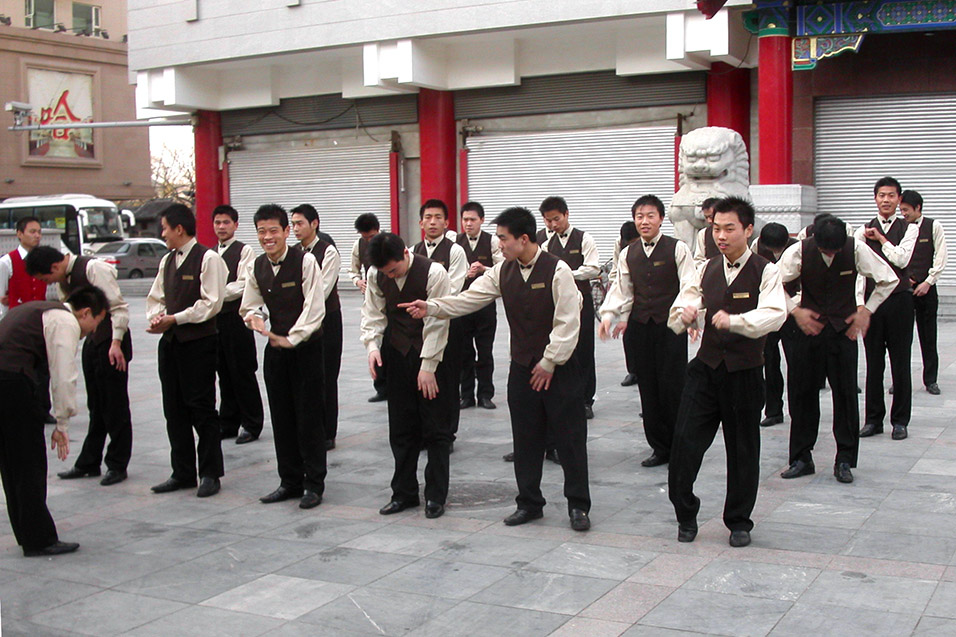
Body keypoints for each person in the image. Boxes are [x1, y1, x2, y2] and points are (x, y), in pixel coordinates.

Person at [401, 207, 591, 531]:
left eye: (503, 238)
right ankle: (529, 503)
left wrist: (549, 361)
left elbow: (569, 322)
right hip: (522, 368)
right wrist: (432, 306)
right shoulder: (502, 271)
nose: (499, 244)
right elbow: (468, 299)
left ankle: (578, 506)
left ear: (524, 238)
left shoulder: (558, 271)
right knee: (525, 438)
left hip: (559, 368)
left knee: (570, 438)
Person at [667, 197, 787, 548]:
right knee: (685, 443)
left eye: (729, 228)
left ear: (748, 230)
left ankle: (738, 521)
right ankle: (685, 513)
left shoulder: (766, 270)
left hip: (745, 372)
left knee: (743, 450)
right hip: (705, 370)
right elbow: (683, 304)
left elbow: (774, 314)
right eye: (716, 228)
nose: (721, 235)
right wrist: (684, 317)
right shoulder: (705, 269)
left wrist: (736, 321)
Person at [777, 215, 898, 484]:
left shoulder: (855, 248)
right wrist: (795, 310)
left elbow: (888, 279)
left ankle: (844, 459)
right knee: (802, 394)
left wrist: (867, 309)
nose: (831, 254)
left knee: (845, 396)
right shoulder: (799, 250)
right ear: (814, 240)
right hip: (809, 332)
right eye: (825, 250)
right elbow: (772, 283)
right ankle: (801, 457)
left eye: (835, 250)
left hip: (844, 332)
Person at [0, 285, 108, 557]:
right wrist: (62, 424)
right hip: (12, 383)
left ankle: (27, 534)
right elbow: (63, 376)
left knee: (12, 464)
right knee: (29, 464)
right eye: (96, 323)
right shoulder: (65, 321)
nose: (93, 331)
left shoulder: (40, 310)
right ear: (85, 313)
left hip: (6, 380)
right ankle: (39, 540)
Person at [360, 232, 454, 519]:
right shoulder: (377, 275)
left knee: (436, 429)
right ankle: (404, 492)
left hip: (434, 355)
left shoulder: (434, 272)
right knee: (401, 428)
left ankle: (436, 496)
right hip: (397, 354)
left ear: (404, 253)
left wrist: (428, 366)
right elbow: (373, 313)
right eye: (385, 272)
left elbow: (439, 320)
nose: (390, 275)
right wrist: (373, 346)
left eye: (394, 269)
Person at [241, 204, 328, 509]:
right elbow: (250, 304)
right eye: (261, 232)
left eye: (273, 231)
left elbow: (315, 309)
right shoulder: (257, 266)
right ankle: (289, 480)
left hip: (306, 349)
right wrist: (253, 318)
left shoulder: (305, 262)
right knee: (282, 417)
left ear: (286, 232)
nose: (268, 237)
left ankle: (314, 484)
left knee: (308, 418)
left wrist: (292, 338)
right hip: (275, 350)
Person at [599, 195, 695, 468]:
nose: (644, 221)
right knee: (648, 389)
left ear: (661, 218)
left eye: (650, 215)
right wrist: (609, 316)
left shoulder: (678, 249)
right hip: (641, 327)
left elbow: (689, 285)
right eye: (639, 216)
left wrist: (689, 316)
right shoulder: (629, 253)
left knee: (673, 387)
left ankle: (680, 446)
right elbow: (621, 289)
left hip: (670, 327)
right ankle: (659, 447)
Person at [25, 246, 133, 486]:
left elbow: (118, 307)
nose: (48, 283)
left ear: (55, 267)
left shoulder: (93, 268)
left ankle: (117, 464)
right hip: (92, 342)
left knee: (114, 406)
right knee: (95, 405)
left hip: (112, 342)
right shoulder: (65, 279)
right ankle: (89, 461)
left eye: (46, 278)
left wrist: (116, 342)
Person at [146, 204, 227, 498]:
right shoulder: (166, 260)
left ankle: (209, 473)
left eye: (165, 228)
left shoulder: (208, 259)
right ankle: (182, 472)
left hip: (199, 343)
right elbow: (156, 297)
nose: (162, 234)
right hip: (170, 344)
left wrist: (176, 318)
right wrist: (156, 317)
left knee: (202, 408)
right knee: (174, 409)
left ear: (179, 229)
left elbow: (212, 303)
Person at [855, 177, 918, 440]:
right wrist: (860, 304)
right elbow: (858, 270)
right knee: (873, 364)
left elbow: (901, 258)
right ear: (875, 198)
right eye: (881, 195)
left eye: (891, 196)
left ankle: (900, 420)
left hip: (900, 301)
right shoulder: (861, 230)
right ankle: (873, 420)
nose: (886, 200)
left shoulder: (910, 228)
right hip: (873, 304)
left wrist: (880, 239)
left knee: (901, 362)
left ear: (899, 199)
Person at [537, 196, 600, 420]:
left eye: (556, 219)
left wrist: (566, 275)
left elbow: (593, 268)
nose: (553, 225)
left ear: (566, 214)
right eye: (548, 221)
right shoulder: (545, 243)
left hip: (581, 301)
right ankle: (565, 396)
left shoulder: (584, 238)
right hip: (557, 304)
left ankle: (586, 400)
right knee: (561, 348)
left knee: (584, 349)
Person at [412, 199, 467, 446]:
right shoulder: (413, 251)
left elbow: (453, 287)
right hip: (420, 324)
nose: (432, 222)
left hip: (448, 321)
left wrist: (431, 302)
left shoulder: (455, 251)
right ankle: (425, 430)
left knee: (446, 378)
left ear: (446, 222)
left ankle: (447, 433)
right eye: (428, 217)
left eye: (438, 217)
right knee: (423, 376)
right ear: (420, 222)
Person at [291, 204, 342, 450]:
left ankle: (327, 432)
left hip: (326, 319)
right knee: (306, 377)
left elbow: (323, 289)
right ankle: (308, 429)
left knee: (327, 375)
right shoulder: (292, 253)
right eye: (293, 224)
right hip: (300, 322)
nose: (296, 229)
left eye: (300, 223)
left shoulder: (328, 251)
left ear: (315, 223)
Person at [213, 205, 264, 444]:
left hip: (237, 318)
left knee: (242, 371)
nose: (221, 227)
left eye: (226, 222)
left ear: (235, 225)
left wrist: (213, 296)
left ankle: (252, 423)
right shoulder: (210, 253)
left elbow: (243, 284)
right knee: (223, 371)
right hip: (214, 320)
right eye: (217, 222)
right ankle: (228, 422)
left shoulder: (245, 252)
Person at [0, 216, 54, 424]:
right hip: (16, 324)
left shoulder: (42, 261)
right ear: (19, 234)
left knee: (43, 368)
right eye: (32, 231)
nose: (37, 236)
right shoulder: (7, 261)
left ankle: (43, 408)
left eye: (39, 232)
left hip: (39, 322)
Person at [455, 201, 502, 410]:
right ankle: (466, 395)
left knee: (485, 351)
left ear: (482, 220)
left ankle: (485, 394)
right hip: (461, 305)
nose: (468, 223)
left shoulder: (492, 241)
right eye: (465, 219)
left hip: (485, 305)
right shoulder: (455, 243)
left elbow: (504, 267)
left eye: (472, 219)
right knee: (463, 352)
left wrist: (484, 268)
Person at [751, 222, 798, 428]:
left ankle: (797, 409)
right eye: (773, 248)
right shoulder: (757, 246)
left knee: (796, 363)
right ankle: (773, 410)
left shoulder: (798, 249)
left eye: (779, 247)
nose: (776, 252)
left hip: (793, 312)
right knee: (769, 361)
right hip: (768, 311)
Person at [900, 190, 947, 396]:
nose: (903, 214)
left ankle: (930, 380)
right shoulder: (900, 227)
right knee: (901, 338)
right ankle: (901, 380)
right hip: (904, 290)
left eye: (906, 210)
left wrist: (928, 281)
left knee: (928, 336)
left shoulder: (933, 226)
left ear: (918, 208)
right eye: (901, 210)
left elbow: (940, 257)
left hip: (926, 289)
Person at [350, 213, 388, 402]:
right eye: (365, 237)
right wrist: (358, 281)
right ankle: (381, 387)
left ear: (378, 230)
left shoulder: (390, 243)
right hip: (371, 296)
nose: (368, 241)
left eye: (371, 237)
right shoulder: (358, 245)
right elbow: (353, 269)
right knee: (375, 340)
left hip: (390, 299)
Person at [612, 221, 641, 388]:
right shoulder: (619, 245)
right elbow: (616, 268)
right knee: (628, 335)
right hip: (626, 290)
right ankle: (633, 371)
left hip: (645, 293)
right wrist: (613, 287)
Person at [692, 197, 720, 267]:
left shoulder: (733, 232)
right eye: (706, 217)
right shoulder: (703, 233)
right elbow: (698, 259)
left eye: (711, 217)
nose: (709, 221)